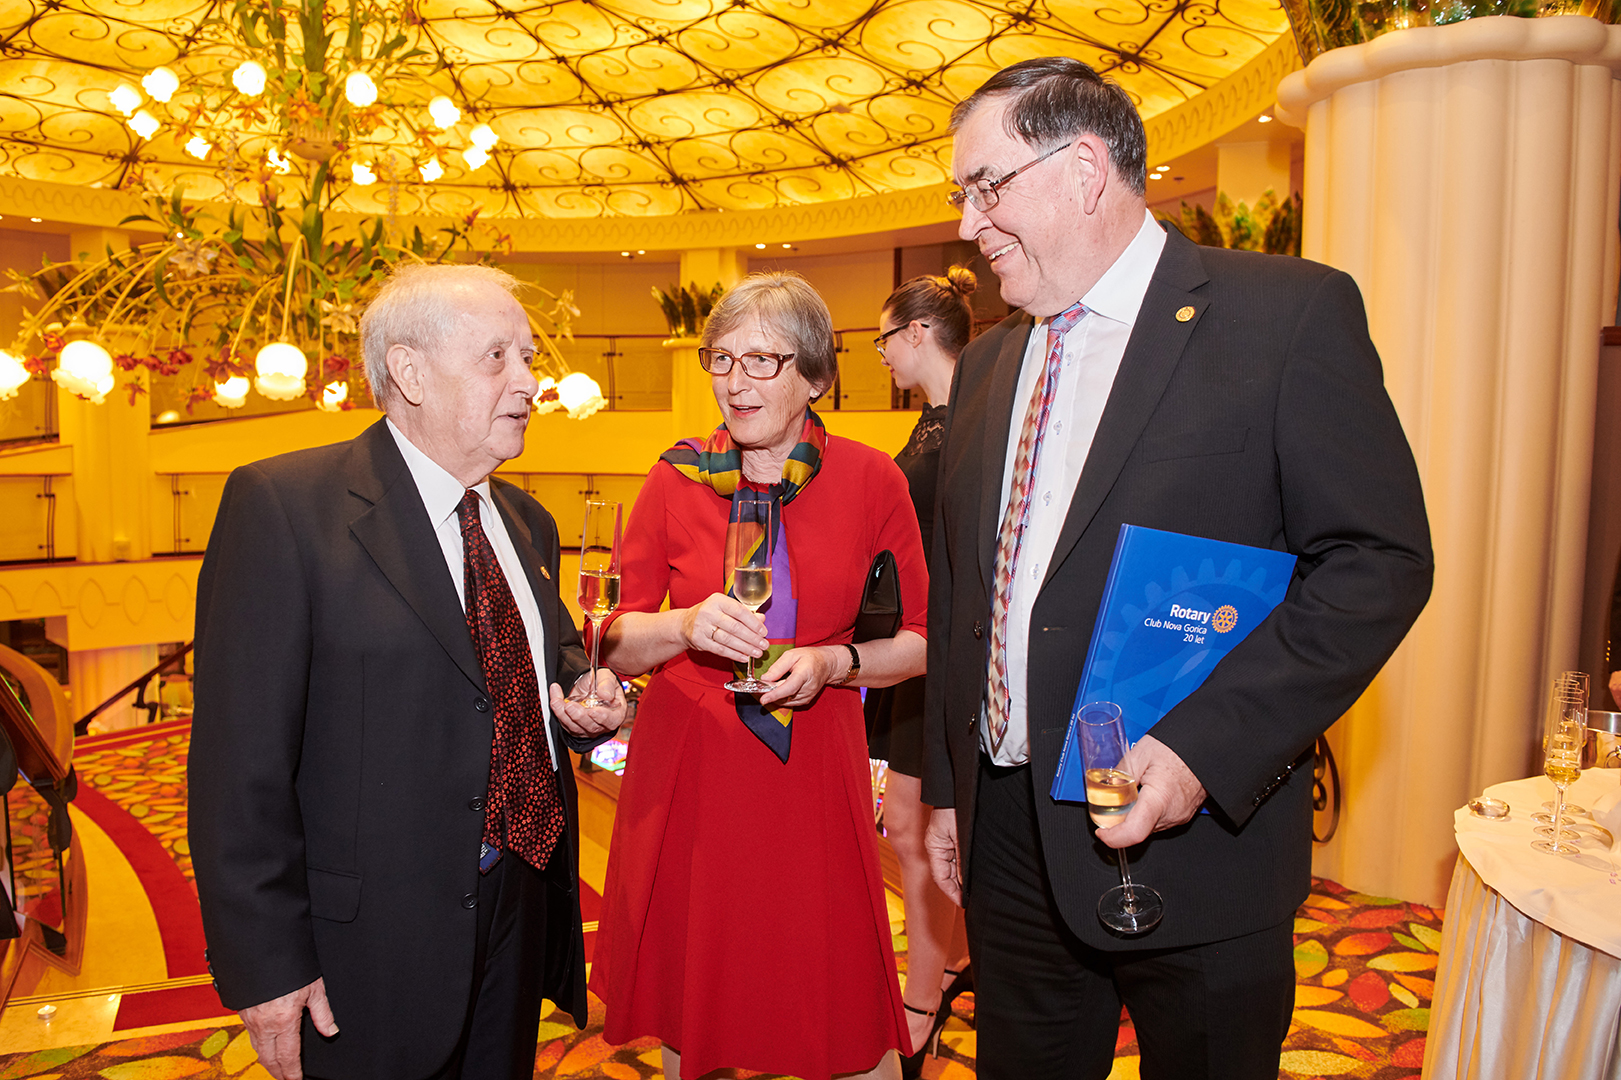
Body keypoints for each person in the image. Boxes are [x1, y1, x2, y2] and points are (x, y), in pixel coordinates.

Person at [920, 57, 1433, 1080]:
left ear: (1082, 169)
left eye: (986, 186)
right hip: (1009, 839)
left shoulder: (1284, 316)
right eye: (961, 195)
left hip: (1201, 845)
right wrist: (948, 786)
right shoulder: (984, 366)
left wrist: (1202, 750)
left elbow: (1374, 563)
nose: (969, 224)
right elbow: (962, 596)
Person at [189, 263, 626, 1080]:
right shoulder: (284, 507)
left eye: (528, 358)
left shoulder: (526, 519)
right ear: (410, 372)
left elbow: (545, 658)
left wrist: (585, 693)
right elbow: (236, 766)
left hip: (519, 910)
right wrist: (266, 963)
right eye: (498, 357)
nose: (529, 382)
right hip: (369, 948)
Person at [590, 271, 928, 1080]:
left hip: (812, 760)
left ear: (815, 377)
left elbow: (925, 639)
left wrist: (836, 663)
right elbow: (612, 639)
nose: (734, 382)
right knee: (692, 993)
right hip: (691, 760)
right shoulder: (674, 478)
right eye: (721, 358)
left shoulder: (872, 480)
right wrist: (681, 627)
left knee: (835, 997)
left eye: (761, 361)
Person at [866, 268, 977, 1076]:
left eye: (883, 339)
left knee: (913, 830)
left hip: (943, 656)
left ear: (915, 333)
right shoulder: (938, 420)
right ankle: (952, 961)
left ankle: (921, 997)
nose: (879, 355)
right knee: (919, 828)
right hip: (918, 649)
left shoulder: (966, 421)